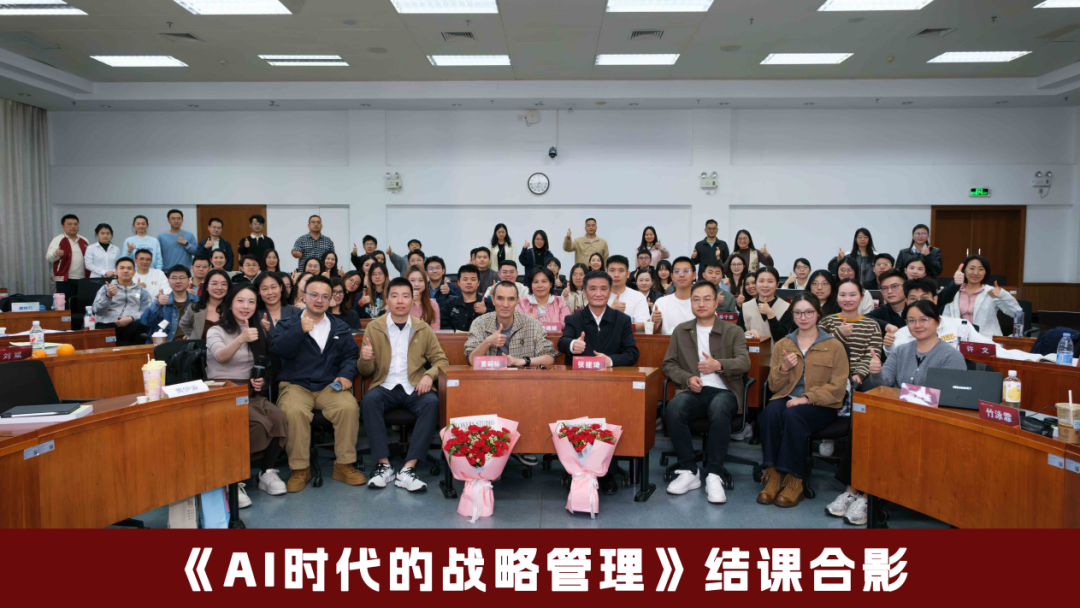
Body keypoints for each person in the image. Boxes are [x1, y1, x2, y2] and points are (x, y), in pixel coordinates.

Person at [829, 299, 966, 525]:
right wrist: (876, 372)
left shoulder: (951, 356)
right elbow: (884, 382)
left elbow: (951, 398)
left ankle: (868, 498)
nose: (917, 325)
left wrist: (911, 396)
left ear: (937, 322)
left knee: (885, 435)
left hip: (931, 422)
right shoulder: (901, 351)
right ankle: (851, 491)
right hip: (898, 415)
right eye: (911, 320)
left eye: (924, 319)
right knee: (864, 427)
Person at [271, 275, 365, 492]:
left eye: (325, 296)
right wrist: (299, 330)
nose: (319, 300)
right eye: (314, 295)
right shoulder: (288, 324)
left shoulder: (340, 327)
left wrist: (346, 375)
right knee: (293, 411)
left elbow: (351, 355)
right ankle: (300, 469)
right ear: (303, 297)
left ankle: (344, 465)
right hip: (296, 385)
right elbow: (278, 349)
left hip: (328, 385)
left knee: (348, 407)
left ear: (331, 300)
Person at [757, 293, 849, 508]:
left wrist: (807, 398)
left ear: (818, 313)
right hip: (788, 397)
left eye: (808, 312)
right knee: (770, 412)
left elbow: (838, 387)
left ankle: (794, 479)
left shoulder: (834, 345)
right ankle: (772, 474)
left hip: (822, 404)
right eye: (797, 313)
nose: (803, 317)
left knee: (793, 414)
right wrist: (784, 368)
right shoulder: (783, 344)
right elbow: (773, 386)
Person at [662, 280, 751, 503]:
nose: (701, 304)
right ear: (691, 302)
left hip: (724, 391)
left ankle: (714, 474)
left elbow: (744, 362)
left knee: (719, 407)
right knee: (673, 408)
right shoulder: (681, 331)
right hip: (692, 391)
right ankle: (689, 470)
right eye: (696, 299)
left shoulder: (734, 330)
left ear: (717, 302)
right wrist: (687, 377)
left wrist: (718, 365)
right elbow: (669, 364)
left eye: (707, 299)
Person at [359, 277, 450, 492]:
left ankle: (409, 469)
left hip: (414, 386)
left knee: (431, 403)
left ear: (412, 299)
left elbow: (441, 360)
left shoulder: (422, 328)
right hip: (385, 386)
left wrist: (428, 376)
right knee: (369, 401)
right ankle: (384, 466)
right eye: (395, 296)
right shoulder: (374, 327)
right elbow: (365, 371)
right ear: (387, 300)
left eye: (405, 296)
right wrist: (365, 358)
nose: (400, 301)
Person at [206, 284, 289, 503]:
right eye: (240, 301)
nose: (246, 306)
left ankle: (266, 472)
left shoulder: (257, 330)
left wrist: (260, 379)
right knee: (258, 423)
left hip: (249, 391)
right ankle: (232, 479)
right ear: (230, 303)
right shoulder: (216, 331)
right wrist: (241, 338)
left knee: (279, 417)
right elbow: (221, 356)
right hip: (222, 393)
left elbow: (266, 363)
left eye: (251, 302)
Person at [558, 270, 639, 493]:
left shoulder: (622, 320)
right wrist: (572, 345)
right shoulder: (574, 319)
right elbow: (562, 342)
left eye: (603, 289)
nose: (598, 293)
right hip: (578, 386)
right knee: (577, 417)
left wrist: (609, 361)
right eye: (592, 288)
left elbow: (632, 353)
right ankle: (573, 470)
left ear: (610, 292)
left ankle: (606, 472)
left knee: (610, 419)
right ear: (584, 292)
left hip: (611, 387)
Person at [885, 277, 994, 354]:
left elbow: (988, 348)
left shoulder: (959, 325)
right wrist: (889, 346)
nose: (919, 303)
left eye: (924, 298)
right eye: (913, 299)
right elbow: (895, 357)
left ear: (935, 300)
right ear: (907, 302)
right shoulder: (903, 333)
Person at [467, 280, 558, 369]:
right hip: (489, 376)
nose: (505, 305)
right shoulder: (479, 323)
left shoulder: (532, 324)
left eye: (511, 299)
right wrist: (488, 342)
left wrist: (521, 361)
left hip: (522, 377)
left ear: (517, 301)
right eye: (500, 298)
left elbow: (549, 358)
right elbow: (471, 360)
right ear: (493, 300)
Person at [817, 279, 883, 391]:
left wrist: (859, 374)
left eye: (852, 295)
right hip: (828, 374)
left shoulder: (872, 325)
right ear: (836, 297)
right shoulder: (827, 321)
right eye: (843, 295)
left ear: (861, 297)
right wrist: (839, 334)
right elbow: (817, 348)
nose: (847, 299)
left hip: (859, 377)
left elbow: (872, 355)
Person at [939, 256, 1022, 337]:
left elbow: (1017, 312)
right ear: (964, 270)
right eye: (972, 268)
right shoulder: (954, 291)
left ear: (986, 272)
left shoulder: (991, 292)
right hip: (958, 339)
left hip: (986, 339)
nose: (975, 273)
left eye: (981, 269)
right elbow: (946, 319)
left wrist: (1002, 295)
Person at [92, 257, 151, 345]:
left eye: (129, 268)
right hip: (107, 324)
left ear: (134, 272)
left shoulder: (142, 291)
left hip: (131, 325)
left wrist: (132, 318)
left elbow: (147, 312)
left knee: (143, 324)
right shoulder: (106, 288)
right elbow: (97, 311)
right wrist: (108, 296)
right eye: (122, 268)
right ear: (116, 271)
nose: (125, 271)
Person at [140, 264, 198, 342]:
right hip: (166, 345)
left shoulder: (198, 302)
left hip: (191, 345)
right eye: (174, 278)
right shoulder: (162, 301)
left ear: (189, 280)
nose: (178, 281)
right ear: (168, 280)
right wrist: (157, 304)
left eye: (182, 277)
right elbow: (145, 321)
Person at [739, 267, 789, 341]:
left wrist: (771, 315)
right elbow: (738, 335)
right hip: (750, 348)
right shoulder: (745, 306)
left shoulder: (786, 307)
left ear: (777, 284)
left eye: (770, 281)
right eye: (761, 281)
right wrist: (746, 333)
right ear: (756, 283)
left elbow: (783, 339)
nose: (765, 285)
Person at [179, 269, 231, 341]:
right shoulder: (195, 308)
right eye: (214, 283)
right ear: (206, 287)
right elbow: (184, 324)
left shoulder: (233, 308)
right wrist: (193, 336)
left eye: (224, 284)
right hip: (200, 347)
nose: (219, 287)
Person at [46, 214, 89, 299]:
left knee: (81, 303)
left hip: (83, 279)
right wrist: (55, 253)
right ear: (63, 226)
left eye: (76, 224)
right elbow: (49, 257)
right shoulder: (57, 239)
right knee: (64, 304)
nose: (73, 226)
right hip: (63, 278)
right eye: (69, 224)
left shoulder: (84, 240)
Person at [605, 255, 651, 332]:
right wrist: (610, 311)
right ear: (606, 273)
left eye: (621, 271)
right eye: (612, 270)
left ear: (628, 274)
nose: (616, 275)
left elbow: (643, 325)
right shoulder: (597, 296)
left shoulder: (638, 297)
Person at [651, 257, 696, 335]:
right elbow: (654, 331)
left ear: (694, 275)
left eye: (686, 271)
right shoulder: (661, 303)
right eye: (677, 271)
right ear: (672, 276)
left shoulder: (703, 303)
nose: (681, 275)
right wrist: (655, 324)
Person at [445, 264, 490, 332]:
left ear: (478, 283)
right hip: (456, 338)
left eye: (473, 279)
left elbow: (497, 324)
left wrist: (485, 311)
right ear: (458, 283)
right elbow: (443, 326)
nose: (469, 282)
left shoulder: (488, 303)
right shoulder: (450, 304)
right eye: (465, 279)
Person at [254, 272, 300, 336]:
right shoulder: (254, 314)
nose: (270, 292)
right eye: (264, 289)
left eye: (273, 287)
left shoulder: (295, 311)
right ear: (259, 291)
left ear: (281, 287)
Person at [866, 269, 907, 338]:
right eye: (884, 288)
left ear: (906, 287)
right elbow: (864, 318)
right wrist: (886, 325)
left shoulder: (915, 309)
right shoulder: (883, 310)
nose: (889, 291)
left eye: (894, 286)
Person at [425, 256, 460, 321]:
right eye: (431, 269)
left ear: (443, 271)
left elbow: (462, 302)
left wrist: (449, 292)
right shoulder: (423, 288)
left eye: (437, 268)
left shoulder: (452, 287)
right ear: (426, 273)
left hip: (445, 323)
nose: (434, 271)